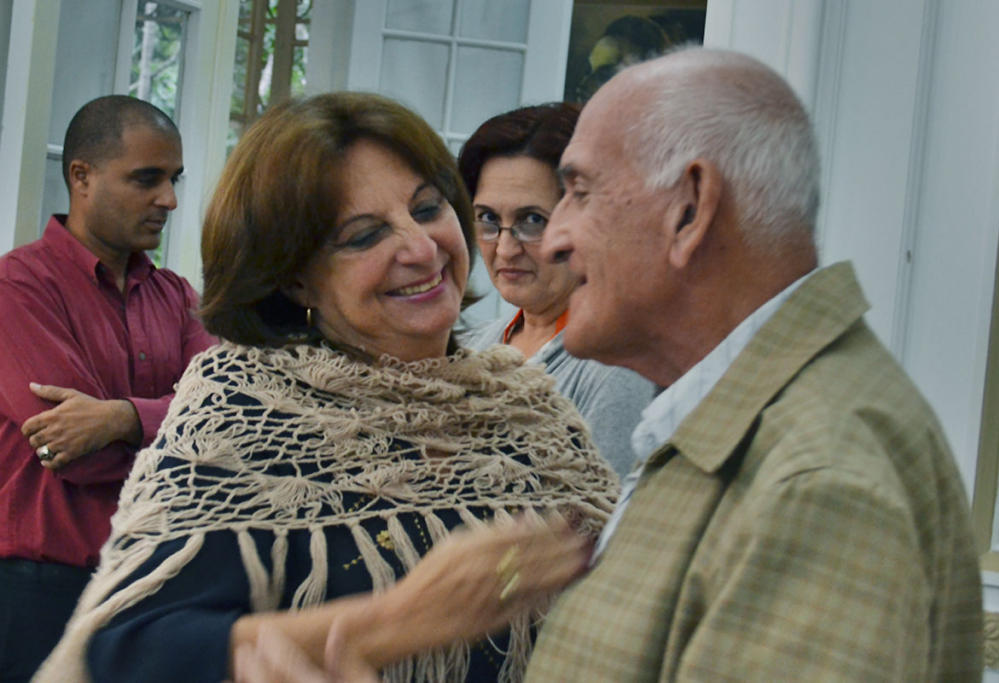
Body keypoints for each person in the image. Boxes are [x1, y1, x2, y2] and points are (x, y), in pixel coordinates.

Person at [35, 92, 618, 682]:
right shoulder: (247, 410)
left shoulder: (526, 404)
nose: (420, 249)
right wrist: (391, 623)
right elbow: (125, 651)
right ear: (294, 279)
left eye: (426, 208)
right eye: (364, 237)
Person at [522, 47, 984, 680]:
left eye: (579, 192)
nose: (553, 238)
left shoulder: (818, 485)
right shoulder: (746, 428)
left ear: (690, 208)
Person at [0, 95, 216, 681]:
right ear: (81, 177)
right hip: (39, 591)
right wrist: (179, 439)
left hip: (151, 584)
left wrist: (120, 418)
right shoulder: (17, 285)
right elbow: (72, 455)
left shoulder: (177, 297)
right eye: (147, 179)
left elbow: (227, 423)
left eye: (173, 179)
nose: (168, 199)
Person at [458, 103, 655, 478]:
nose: (504, 249)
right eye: (488, 219)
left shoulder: (617, 367)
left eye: (532, 220)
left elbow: (599, 523)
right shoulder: (471, 346)